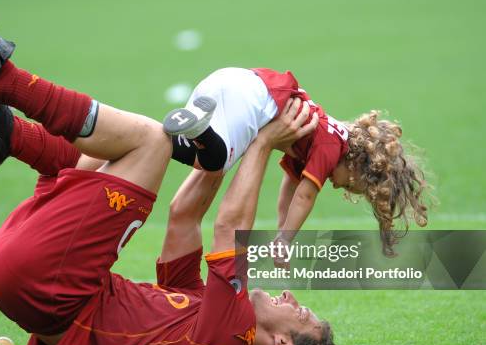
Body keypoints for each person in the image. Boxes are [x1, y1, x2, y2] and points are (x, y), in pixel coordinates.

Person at [0, 0, 335, 345]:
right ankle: (9, 136)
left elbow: (229, 227)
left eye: (301, 313)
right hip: (34, 283)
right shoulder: (206, 317)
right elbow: (184, 216)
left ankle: (3, 81)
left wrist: (263, 141)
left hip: (49, 287)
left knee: (152, 143)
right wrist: (224, 147)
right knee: (101, 155)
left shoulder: (232, 340)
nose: (290, 295)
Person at [163, 67, 431, 259]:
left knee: (192, 153)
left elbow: (290, 187)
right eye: (351, 185)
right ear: (358, 163)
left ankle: (155, 136)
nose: (339, 188)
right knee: (216, 161)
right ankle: (197, 131)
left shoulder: (319, 141)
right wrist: (286, 240)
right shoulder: (330, 146)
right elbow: (304, 195)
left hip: (229, 82)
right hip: (248, 99)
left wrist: (282, 230)